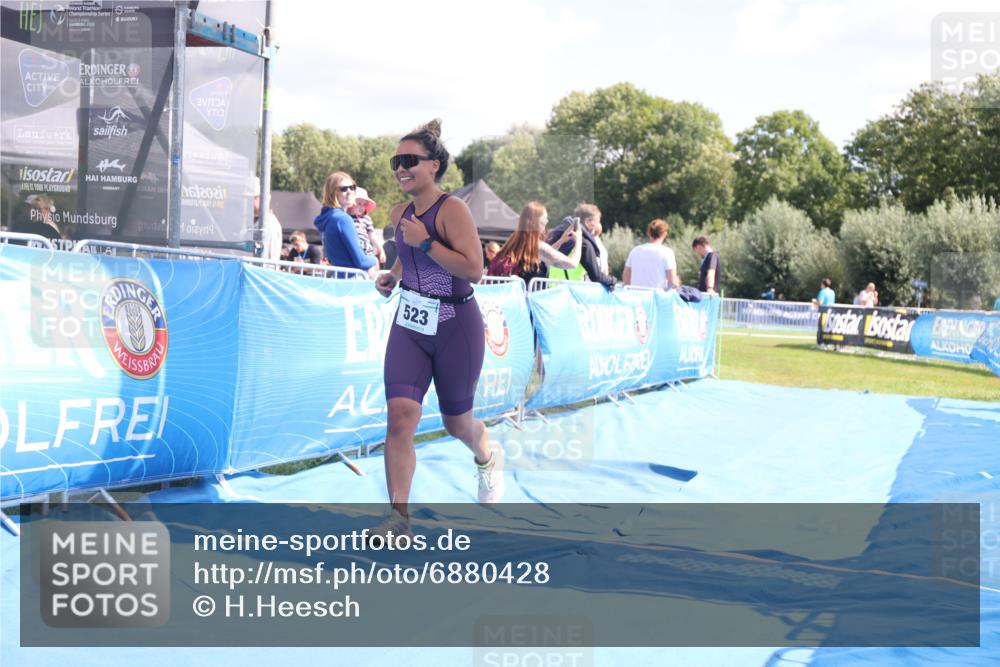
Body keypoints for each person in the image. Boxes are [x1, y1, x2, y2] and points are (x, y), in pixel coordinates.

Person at [373, 119, 498, 535]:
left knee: (456, 424)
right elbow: (408, 258)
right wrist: (393, 274)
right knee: (400, 416)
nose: (400, 168)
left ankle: (485, 455)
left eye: (410, 160)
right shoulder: (398, 212)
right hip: (409, 323)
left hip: (454, 324)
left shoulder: (453, 209)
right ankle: (398, 519)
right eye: (397, 161)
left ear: (435, 165)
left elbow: (474, 270)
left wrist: (426, 241)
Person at [488, 202, 581, 284]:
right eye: (545, 218)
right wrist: (579, 240)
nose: (547, 221)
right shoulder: (538, 246)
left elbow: (544, 255)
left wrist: (561, 240)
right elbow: (572, 264)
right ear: (537, 222)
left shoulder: (515, 242)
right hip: (532, 299)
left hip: (518, 299)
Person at [314, 172, 378, 278]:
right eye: (343, 189)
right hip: (351, 282)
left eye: (352, 187)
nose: (349, 192)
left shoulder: (328, 217)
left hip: (336, 280)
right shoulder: (343, 219)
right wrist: (374, 260)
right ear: (333, 193)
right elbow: (361, 261)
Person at [548, 203, 616, 289]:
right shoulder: (584, 244)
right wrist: (613, 281)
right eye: (597, 222)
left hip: (552, 290)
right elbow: (596, 276)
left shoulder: (562, 237)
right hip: (571, 292)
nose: (598, 225)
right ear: (587, 222)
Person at [623, 218, 679, 289]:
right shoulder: (667, 253)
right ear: (664, 234)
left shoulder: (635, 251)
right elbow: (672, 282)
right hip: (656, 297)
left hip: (636, 296)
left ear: (648, 233)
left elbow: (626, 277)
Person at [348, 187, 386, 265]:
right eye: (359, 203)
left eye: (364, 204)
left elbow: (372, 236)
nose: (362, 207)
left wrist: (381, 250)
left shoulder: (366, 219)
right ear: (351, 204)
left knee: (373, 266)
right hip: (352, 251)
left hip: (366, 251)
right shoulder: (346, 218)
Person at [254, 181, 283, 261]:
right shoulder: (257, 222)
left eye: (254, 198)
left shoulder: (269, 223)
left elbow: (271, 255)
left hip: (261, 271)